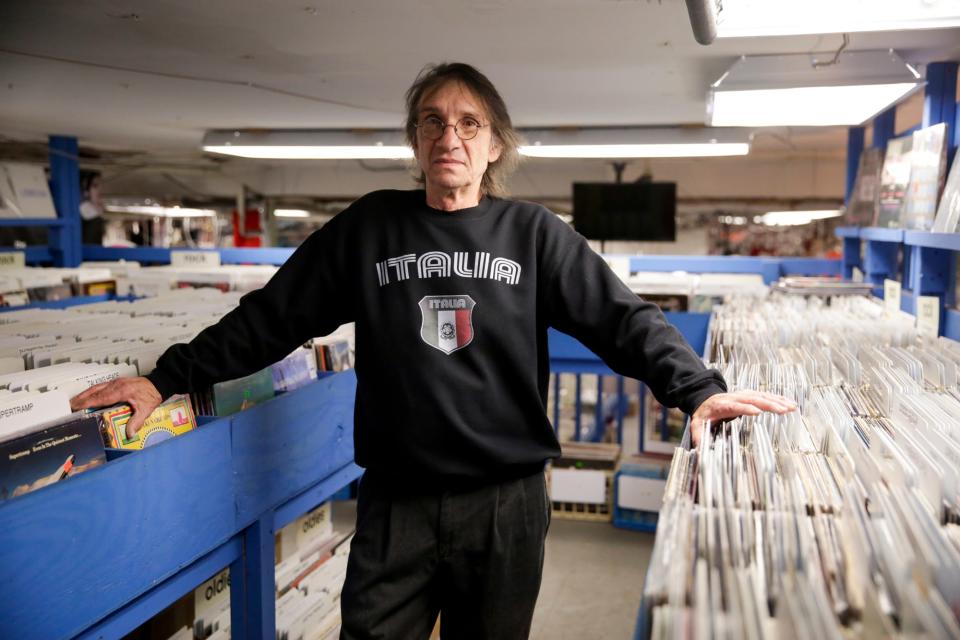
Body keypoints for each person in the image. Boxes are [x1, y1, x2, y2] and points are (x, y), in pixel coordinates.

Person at [71, 62, 795, 639]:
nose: (450, 135)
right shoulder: (368, 229)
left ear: (495, 145)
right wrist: (165, 377)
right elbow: (271, 317)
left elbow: (623, 320)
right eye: (433, 121)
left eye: (469, 123)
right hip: (396, 505)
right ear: (416, 142)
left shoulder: (534, 236)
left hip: (505, 504)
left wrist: (696, 388)